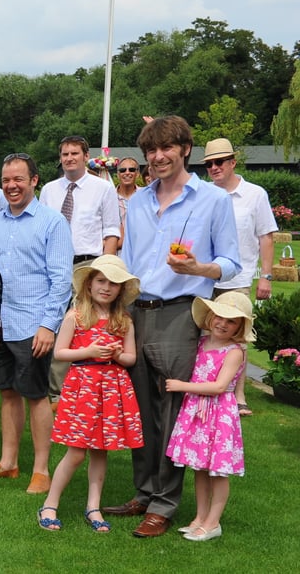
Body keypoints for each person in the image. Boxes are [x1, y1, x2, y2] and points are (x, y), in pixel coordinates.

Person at [103, 116, 239, 539]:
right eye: (150, 152)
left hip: (181, 313)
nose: (158, 157)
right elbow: (133, 263)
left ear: (185, 149)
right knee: (140, 408)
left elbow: (233, 262)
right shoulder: (139, 201)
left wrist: (199, 267)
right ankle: (144, 492)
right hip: (135, 312)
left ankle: (164, 503)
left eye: (166, 149)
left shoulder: (213, 201)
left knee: (171, 411)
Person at [0, 153, 73, 495]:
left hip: (32, 324)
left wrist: (48, 326)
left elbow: (61, 280)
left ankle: (41, 469)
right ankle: (9, 461)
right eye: (6, 180)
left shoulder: (52, 222)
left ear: (34, 180)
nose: (11, 186)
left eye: (18, 179)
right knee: (8, 394)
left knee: (36, 396)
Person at [38, 256, 143, 532]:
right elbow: (60, 352)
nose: (106, 287)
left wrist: (119, 354)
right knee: (76, 452)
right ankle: (50, 503)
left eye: (113, 283)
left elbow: (131, 358)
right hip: (83, 387)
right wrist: (89, 352)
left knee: (101, 451)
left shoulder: (124, 321)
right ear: (89, 285)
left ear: (120, 289)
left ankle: (93, 507)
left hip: (111, 389)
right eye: (100, 281)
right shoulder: (76, 316)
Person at [163, 292, 251, 542]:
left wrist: (182, 386)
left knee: (217, 471)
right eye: (219, 317)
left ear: (240, 326)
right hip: (198, 414)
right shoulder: (202, 343)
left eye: (231, 321)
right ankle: (200, 517)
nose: (223, 323)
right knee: (199, 467)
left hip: (218, 413)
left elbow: (220, 387)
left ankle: (214, 522)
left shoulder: (234, 351)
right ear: (210, 316)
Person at [39, 136, 121, 399]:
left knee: (84, 326)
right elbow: (40, 231)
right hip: (55, 264)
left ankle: (85, 389)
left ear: (86, 156)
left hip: (89, 264)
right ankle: (56, 393)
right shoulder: (50, 190)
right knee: (55, 324)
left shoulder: (103, 188)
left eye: (74, 153)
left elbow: (111, 231)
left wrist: (103, 272)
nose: (69, 158)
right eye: (64, 154)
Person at [203, 137, 278, 417]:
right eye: (209, 163)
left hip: (238, 277)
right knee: (204, 336)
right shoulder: (203, 194)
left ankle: (239, 393)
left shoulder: (255, 194)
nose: (214, 167)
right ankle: (205, 386)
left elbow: (266, 236)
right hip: (205, 278)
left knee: (238, 338)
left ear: (233, 162)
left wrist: (266, 276)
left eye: (219, 162)